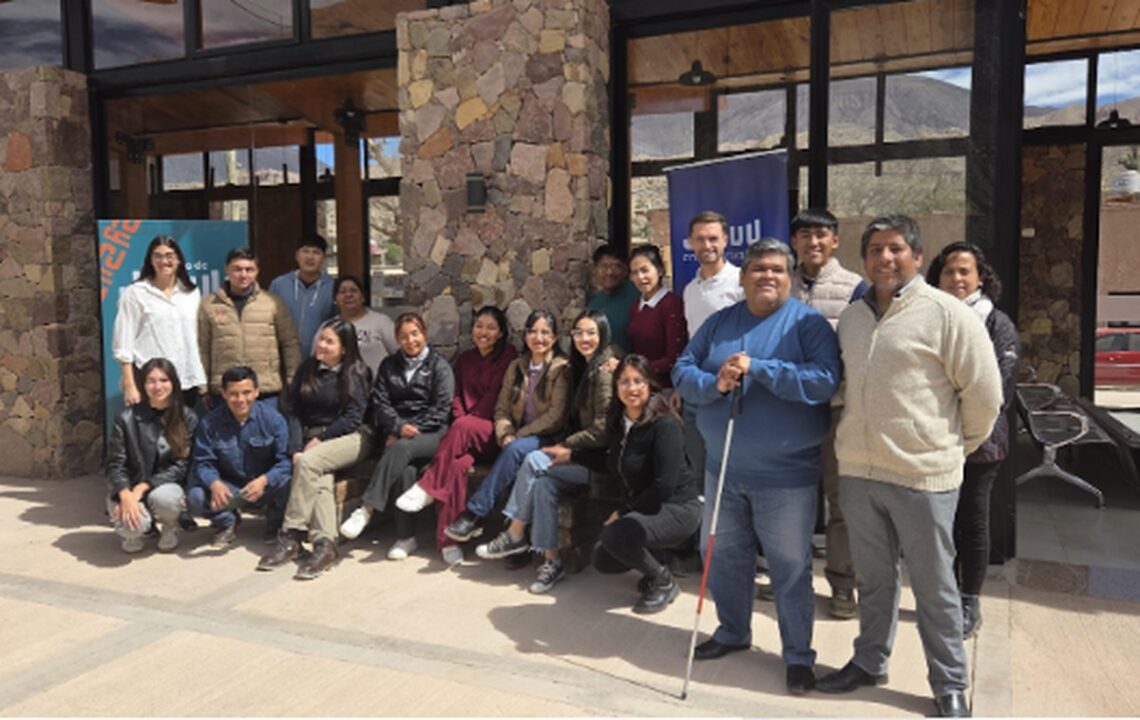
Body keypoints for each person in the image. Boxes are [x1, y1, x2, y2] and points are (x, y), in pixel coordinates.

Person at [816, 215, 1002, 719]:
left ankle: (950, 684)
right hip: (859, 473)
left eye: (896, 248)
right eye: (875, 249)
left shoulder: (948, 314)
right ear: (864, 258)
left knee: (934, 588)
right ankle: (869, 662)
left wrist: (947, 449)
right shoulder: (852, 318)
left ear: (918, 256)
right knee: (874, 580)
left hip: (923, 477)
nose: (885, 257)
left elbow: (984, 397)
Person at [673, 238, 841, 697]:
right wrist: (716, 383)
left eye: (777, 270)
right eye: (759, 269)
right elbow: (682, 370)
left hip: (786, 477)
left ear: (790, 277)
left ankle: (798, 655)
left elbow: (825, 381)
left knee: (789, 565)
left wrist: (762, 369)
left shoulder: (808, 325)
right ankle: (732, 631)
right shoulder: (720, 322)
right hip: (723, 467)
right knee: (722, 555)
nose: (768, 276)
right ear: (743, 277)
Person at [473, 309, 617, 594]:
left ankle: (515, 533)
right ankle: (552, 562)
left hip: (601, 462)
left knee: (534, 459)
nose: (584, 338)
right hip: (582, 454)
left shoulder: (604, 372)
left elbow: (602, 431)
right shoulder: (579, 366)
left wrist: (567, 446)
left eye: (591, 333)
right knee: (543, 486)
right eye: (579, 333)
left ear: (603, 335)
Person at [926, 241, 1019, 639]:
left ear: (981, 277)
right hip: (934, 440)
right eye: (949, 271)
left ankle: (969, 600)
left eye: (965, 271)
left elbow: (999, 389)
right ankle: (944, 596)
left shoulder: (997, 324)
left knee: (971, 522)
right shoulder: (927, 319)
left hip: (981, 443)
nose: (957, 278)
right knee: (938, 524)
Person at [788, 207, 869, 620]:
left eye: (821, 235)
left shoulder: (856, 288)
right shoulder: (782, 285)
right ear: (794, 242)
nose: (813, 242)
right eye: (804, 235)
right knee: (792, 500)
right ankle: (792, 579)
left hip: (838, 411)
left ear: (835, 240)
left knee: (841, 502)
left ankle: (842, 583)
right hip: (791, 412)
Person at [394, 307, 518, 566]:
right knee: (456, 466)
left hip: (491, 432)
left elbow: (496, 398)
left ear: (501, 333)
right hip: (463, 436)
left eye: (491, 328)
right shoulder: (465, 359)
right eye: (479, 326)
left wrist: (466, 422)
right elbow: (457, 396)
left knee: (461, 428)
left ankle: (427, 485)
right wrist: (463, 419)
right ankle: (448, 541)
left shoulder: (508, 356)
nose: (484, 332)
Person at [258, 319, 373, 580]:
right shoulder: (307, 368)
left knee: (309, 463)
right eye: (321, 338)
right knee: (320, 478)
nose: (321, 345)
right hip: (314, 442)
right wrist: (296, 447)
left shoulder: (357, 372)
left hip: (353, 437)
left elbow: (353, 417)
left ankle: (291, 534)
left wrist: (321, 439)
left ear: (344, 348)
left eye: (329, 341)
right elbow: (294, 411)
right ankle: (325, 545)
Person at [443, 309, 570, 545]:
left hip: (548, 437)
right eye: (533, 331)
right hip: (517, 439)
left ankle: (474, 514)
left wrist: (518, 436)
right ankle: (516, 544)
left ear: (554, 337)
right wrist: (505, 433)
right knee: (514, 456)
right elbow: (501, 408)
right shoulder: (517, 366)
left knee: (515, 451)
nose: (538, 338)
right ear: (525, 335)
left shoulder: (561, 368)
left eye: (545, 333)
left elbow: (555, 416)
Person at [588, 354, 702, 613]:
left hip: (679, 508)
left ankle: (663, 580)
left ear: (650, 383)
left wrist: (623, 511)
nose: (632, 388)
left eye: (638, 381)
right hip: (649, 508)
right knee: (603, 558)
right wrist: (570, 455)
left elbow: (664, 486)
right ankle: (659, 559)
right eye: (624, 381)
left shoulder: (665, 424)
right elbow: (610, 462)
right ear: (616, 386)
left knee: (616, 535)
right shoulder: (620, 422)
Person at [338, 312, 454, 560]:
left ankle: (366, 508)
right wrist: (398, 427)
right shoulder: (389, 365)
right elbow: (381, 403)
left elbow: (442, 408)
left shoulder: (439, 366)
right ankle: (405, 538)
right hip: (399, 433)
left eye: (415, 334)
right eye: (403, 336)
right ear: (397, 339)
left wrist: (412, 428)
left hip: (433, 434)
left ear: (424, 333)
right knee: (405, 469)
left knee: (400, 448)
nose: (410, 341)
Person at [187, 366, 293, 546]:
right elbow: (203, 462)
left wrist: (264, 480)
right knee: (196, 497)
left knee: (289, 482)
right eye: (233, 394)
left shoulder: (273, 420)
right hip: (230, 489)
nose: (240, 400)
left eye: (246, 393)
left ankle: (274, 522)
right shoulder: (210, 424)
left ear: (257, 392)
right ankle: (227, 521)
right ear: (224, 394)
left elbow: (286, 461)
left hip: (264, 487)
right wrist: (215, 483)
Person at [105, 357, 199, 553]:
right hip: (130, 486)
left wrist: (143, 487)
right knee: (132, 529)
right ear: (143, 384)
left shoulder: (187, 417)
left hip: (163, 487)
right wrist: (125, 495)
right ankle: (139, 531)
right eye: (151, 381)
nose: (158, 386)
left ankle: (170, 526)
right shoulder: (126, 418)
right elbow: (115, 463)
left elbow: (181, 466)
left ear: (174, 383)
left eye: (164, 380)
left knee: (166, 500)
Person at [197, 247, 301, 409]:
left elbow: (290, 344)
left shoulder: (273, 303)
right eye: (237, 269)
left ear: (257, 271)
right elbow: (202, 348)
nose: (243, 275)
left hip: (265, 391)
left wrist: (293, 381)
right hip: (225, 391)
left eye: (249, 269)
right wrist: (203, 387)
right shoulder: (209, 305)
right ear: (227, 269)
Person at [112, 235, 207, 407]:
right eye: (158, 256)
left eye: (169, 256)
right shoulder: (136, 293)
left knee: (182, 424)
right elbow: (123, 341)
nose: (164, 261)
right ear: (150, 261)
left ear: (179, 260)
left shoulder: (191, 293)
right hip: (151, 382)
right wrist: (129, 385)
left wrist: (202, 381)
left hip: (185, 380)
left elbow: (195, 338)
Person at [627, 244, 688, 386]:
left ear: (660, 270)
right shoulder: (635, 307)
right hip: (639, 385)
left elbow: (675, 357)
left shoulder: (672, 305)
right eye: (634, 272)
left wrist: (637, 370)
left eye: (645, 270)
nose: (640, 277)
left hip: (665, 387)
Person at [268, 235, 336, 359]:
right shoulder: (279, 284)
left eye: (316, 252)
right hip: (284, 357)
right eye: (305, 251)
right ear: (296, 256)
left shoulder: (333, 287)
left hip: (320, 358)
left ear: (324, 258)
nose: (310, 257)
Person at [681, 211, 745, 336]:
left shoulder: (742, 282)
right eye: (700, 239)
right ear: (691, 243)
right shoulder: (690, 290)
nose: (707, 246)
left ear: (725, 241)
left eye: (713, 239)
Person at [332, 274, 398, 374]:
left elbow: (400, 354)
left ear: (363, 297)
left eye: (353, 291)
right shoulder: (330, 327)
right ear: (335, 299)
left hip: (377, 383)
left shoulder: (381, 321)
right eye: (342, 292)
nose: (348, 295)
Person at [587, 245, 641, 352]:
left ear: (625, 270)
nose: (609, 272)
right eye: (603, 267)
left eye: (615, 266)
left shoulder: (639, 294)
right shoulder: (594, 305)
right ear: (595, 270)